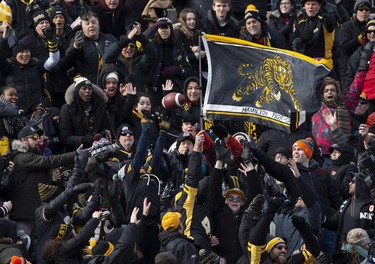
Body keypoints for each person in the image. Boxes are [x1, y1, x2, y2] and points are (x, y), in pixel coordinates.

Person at [8, 125, 76, 238]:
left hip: (36, 213)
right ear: (23, 141)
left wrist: (55, 181)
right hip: (24, 215)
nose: (38, 139)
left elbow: (44, 184)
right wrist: (76, 154)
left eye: (38, 136)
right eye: (33, 137)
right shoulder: (21, 157)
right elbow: (49, 161)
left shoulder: (34, 156)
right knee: (25, 247)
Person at [59, 76, 111, 151]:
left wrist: (102, 135)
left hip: (99, 148)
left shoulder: (100, 107)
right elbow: (65, 137)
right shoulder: (67, 109)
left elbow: (107, 129)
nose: (87, 91)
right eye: (84, 88)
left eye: (90, 88)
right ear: (77, 91)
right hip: (75, 151)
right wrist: (83, 139)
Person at [63, 11, 117, 84]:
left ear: (98, 24)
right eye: (87, 23)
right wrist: (75, 46)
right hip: (88, 86)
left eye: (93, 22)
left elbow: (120, 59)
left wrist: (112, 52)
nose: (91, 25)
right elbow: (69, 58)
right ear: (82, 27)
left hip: (108, 86)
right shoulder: (78, 40)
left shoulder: (110, 38)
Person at [103, 21, 156, 94]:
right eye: (125, 46)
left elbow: (152, 54)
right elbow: (106, 57)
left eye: (132, 46)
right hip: (122, 101)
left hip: (139, 101)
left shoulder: (140, 62)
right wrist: (125, 40)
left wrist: (140, 37)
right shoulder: (116, 63)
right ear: (121, 48)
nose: (129, 48)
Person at [339, 0, 371, 81]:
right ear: (356, 11)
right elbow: (344, 49)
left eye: (367, 10)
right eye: (361, 9)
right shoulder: (347, 26)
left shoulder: (372, 26)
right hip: (351, 69)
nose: (364, 12)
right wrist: (358, 40)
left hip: (370, 68)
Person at [174, 8, 206, 77]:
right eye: (189, 19)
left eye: (194, 19)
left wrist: (200, 49)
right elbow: (178, 55)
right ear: (183, 20)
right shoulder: (178, 33)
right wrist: (195, 56)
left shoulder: (197, 33)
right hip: (183, 73)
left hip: (196, 71)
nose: (192, 21)